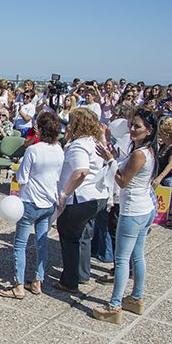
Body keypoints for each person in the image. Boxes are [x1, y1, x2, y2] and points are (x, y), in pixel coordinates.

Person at [93, 108, 159, 323]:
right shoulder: (147, 150)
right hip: (145, 207)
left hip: (133, 210)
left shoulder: (140, 154)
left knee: (122, 259)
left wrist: (111, 160)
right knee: (137, 255)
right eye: (131, 124)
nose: (131, 129)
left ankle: (114, 305)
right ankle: (137, 297)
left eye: (137, 126)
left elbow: (122, 181)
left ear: (149, 130)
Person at [0, 112, 64, 299]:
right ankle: (38, 280)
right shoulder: (59, 149)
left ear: (41, 129)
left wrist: (16, 176)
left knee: (20, 244)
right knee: (41, 243)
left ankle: (18, 285)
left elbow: (22, 176)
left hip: (30, 201)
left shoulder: (33, 150)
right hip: (49, 201)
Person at [54, 107, 108, 293]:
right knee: (84, 234)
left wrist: (64, 194)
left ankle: (70, 281)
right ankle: (83, 273)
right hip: (97, 196)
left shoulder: (79, 145)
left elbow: (81, 171)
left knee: (69, 236)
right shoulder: (95, 141)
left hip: (81, 198)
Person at [152, 117, 172, 226]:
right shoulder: (163, 147)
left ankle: (171, 213)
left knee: (170, 184)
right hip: (159, 173)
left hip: (171, 175)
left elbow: (171, 164)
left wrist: (160, 177)